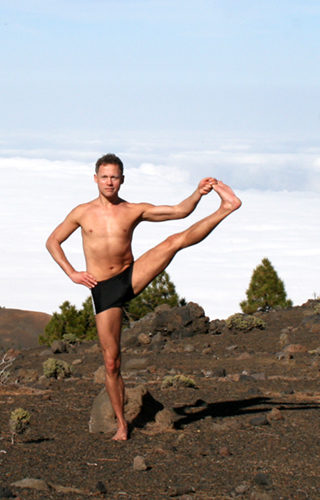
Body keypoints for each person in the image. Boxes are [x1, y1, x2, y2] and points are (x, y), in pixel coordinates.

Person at [45, 153, 241, 441]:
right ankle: (122, 425)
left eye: (114, 177)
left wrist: (198, 194)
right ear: (95, 179)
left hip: (130, 276)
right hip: (103, 290)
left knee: (172, 242)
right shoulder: (81, 212)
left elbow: (179, 211)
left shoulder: (133, 210)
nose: (109, 182)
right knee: (111, 362)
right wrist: (72, 272)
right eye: (104, 177)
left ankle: (227, 207)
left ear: (122, 180)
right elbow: (53, 241)